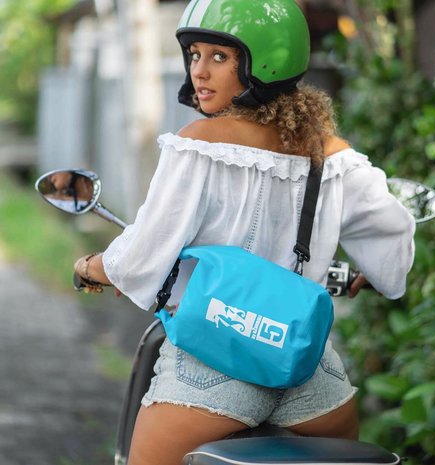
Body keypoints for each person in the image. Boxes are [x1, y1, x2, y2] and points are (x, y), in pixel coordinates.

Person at [73, 1, 416, 464]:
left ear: (263, 63)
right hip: (309, 372)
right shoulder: (333, 155)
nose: (199, 71)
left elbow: (138, 259)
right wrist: (373, 274)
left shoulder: (199, 144)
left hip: (211, 373)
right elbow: (393, 236)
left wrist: (91, 267)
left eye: (219, 56)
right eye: (195, 55)